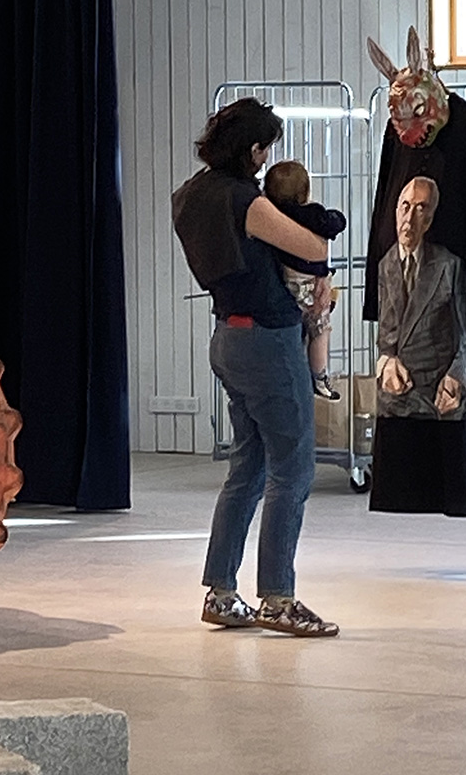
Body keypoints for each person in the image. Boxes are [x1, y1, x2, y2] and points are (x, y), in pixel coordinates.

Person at [172, 98, 339, 637]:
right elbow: (313, 248)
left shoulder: (188, 195)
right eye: (265, 148)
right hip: (268, 341)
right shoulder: (244, 198)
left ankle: (221, 592)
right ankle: (278, 599)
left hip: (228, 336)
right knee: (293, 469)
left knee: (246, 468)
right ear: (252, 149)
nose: (267, 159)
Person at [365, 29, 466, 516]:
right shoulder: (399, 133)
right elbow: (386, 199)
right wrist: (379, 288)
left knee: (457, 386)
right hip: (405, 280)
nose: (407, 127)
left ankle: (457, 488)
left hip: (459, 282)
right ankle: (413, 489)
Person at [377, 177, 466, 421]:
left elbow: (463, 337)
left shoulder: (448, 266)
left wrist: (455, 377)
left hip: (437, 392)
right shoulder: (385, 264)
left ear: (429, 220)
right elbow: (386, 337)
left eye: (420, 209)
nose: (409, 219)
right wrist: (386, 363)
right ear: (396, 211)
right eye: (405, 207)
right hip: (396, 394)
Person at [263, 160, 346, 402]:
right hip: (309, 285)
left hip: (284, 286)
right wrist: (335, 216)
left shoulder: (270, 217)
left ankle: (293, 378)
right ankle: (319, 378)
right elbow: (336, 223)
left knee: (293, 336)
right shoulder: (311, 214)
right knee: (319, 331)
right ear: (305, 192)